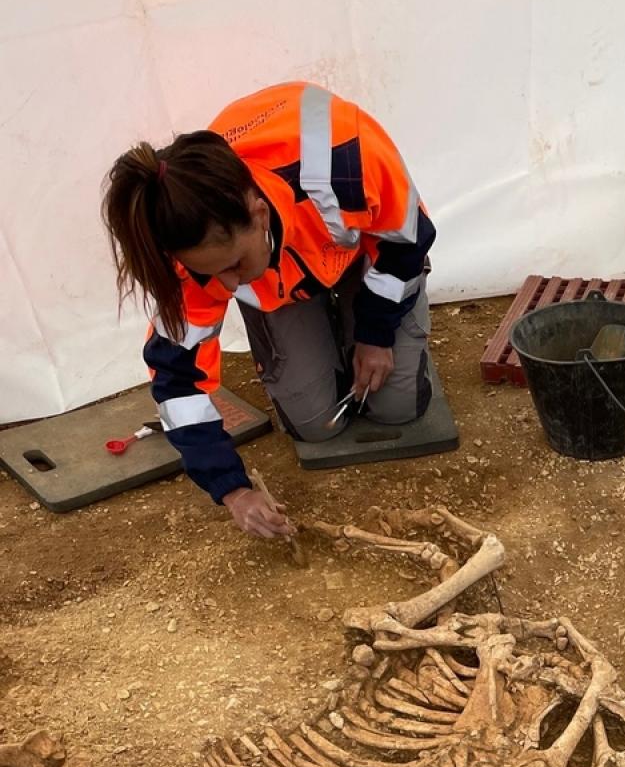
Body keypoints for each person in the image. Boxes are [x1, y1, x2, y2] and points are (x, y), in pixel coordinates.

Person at [101, 82, 436, 543]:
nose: (228, 286)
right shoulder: (188, 257)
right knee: (317, 427)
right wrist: (233, 489)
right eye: (211, 274)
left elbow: (407, 240)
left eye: (235, 264)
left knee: (397, 407)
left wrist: (376, 334)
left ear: (259, 214)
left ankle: (356, 322)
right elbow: (177, 382)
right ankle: (322, 335)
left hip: (368, 252)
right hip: (286, 287)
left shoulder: (345, 159)